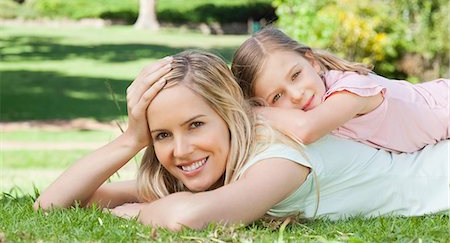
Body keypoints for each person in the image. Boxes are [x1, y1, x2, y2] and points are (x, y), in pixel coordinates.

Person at [34, 50, 450, 231]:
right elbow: (52, 206)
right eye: (163, 135)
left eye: (196, 125)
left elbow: (188, 218)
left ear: (232, 116)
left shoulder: (279, 156)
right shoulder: (222, 163)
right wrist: (131, 139)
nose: (180, 150)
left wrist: (126, 213)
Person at [231, 27, 450, 153]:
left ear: (312, 62)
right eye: (277, 96)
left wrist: (251, 112)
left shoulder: (351, 90)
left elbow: (306, 129)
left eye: (296, 75)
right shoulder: (314, 103)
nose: (296, 95)